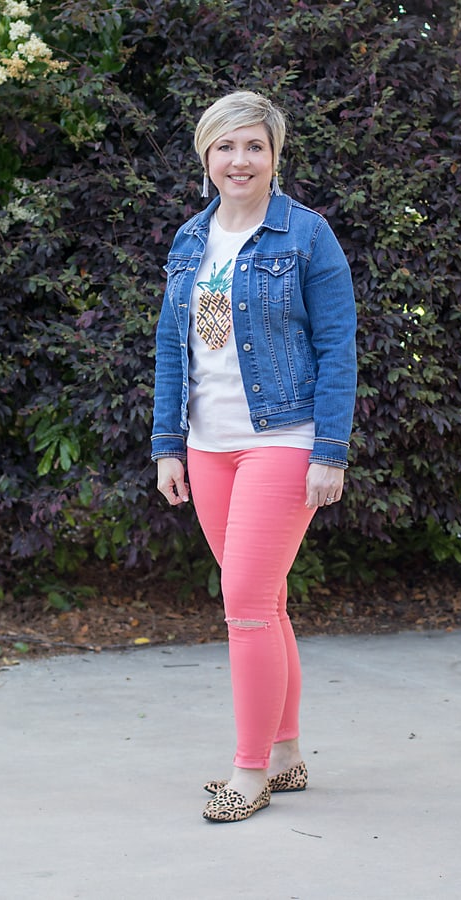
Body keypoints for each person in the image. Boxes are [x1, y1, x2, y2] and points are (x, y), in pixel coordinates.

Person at [151, 91, 357, 823]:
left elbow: (338, 347)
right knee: (265, 605)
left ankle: (249, 773)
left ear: (275, 156)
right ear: (206, 157)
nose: (240, 160)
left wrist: (329, 451)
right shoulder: (191, 241)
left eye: (254, 147)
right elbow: (179, 352)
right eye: (225, 147)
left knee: (241, 606)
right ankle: (288, 754)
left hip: (284, 437)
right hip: (209, 446)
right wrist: (167, 444)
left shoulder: (306, 236)